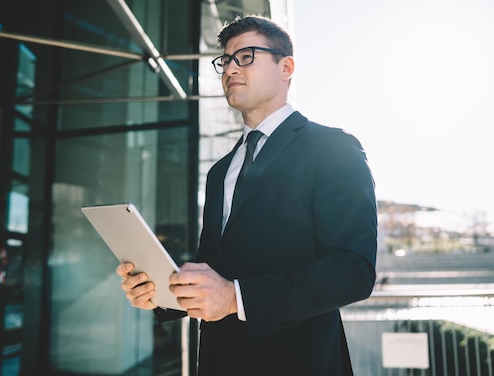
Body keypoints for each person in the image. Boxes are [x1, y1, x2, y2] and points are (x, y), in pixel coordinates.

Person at [117, 15, 378, 376]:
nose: (230, 69)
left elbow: (353, 270)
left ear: (286, 67)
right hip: (219, 362)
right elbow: (214, 268)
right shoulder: (219, 171)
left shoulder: (333, 148)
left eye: (246, 56)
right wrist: (162, 292)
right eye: (225, 60)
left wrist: (236, 298)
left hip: (299, 363)